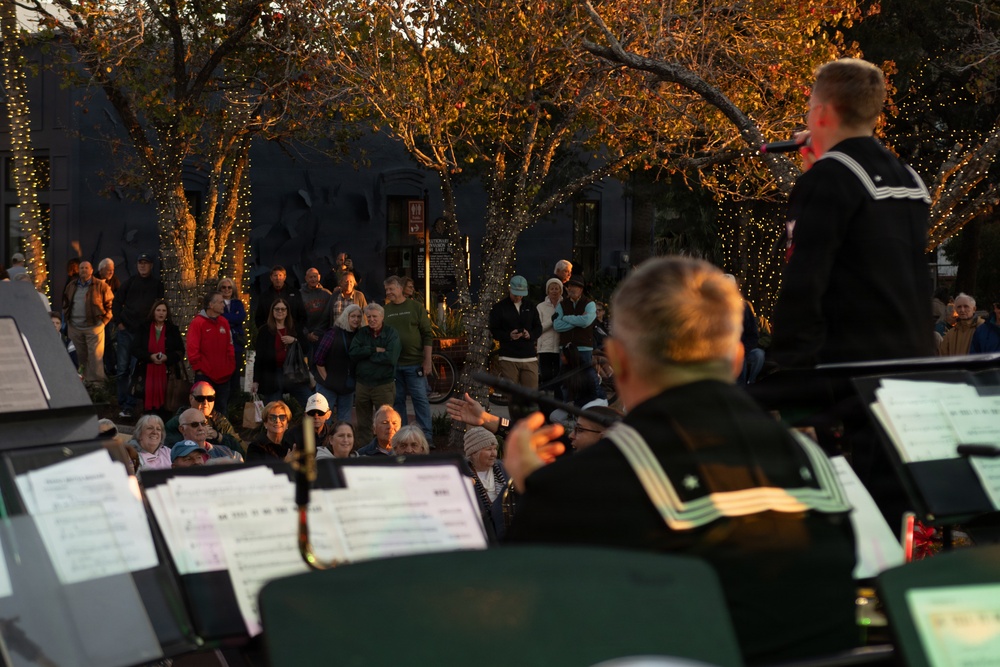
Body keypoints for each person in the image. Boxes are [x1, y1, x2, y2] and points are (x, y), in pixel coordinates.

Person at [504, 256, 857, 665]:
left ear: (618, 361)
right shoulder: (813, 462)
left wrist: (536, 488)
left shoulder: (580, 487)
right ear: (738, 359)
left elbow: (517, 624)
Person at [769, 58, 934, 367]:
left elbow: (804, 280)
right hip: (913, 357)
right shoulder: (908, 176)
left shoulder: (828, 178)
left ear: (822, 112)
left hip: (850, 366)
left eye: (810, 105)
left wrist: (788, 363)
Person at [113, 253, 165, 418]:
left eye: (146, 263)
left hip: (142, 334)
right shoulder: (129, 282)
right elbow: (116, 302)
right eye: (140, 263)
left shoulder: (157, 285)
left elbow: (161, 306)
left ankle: (129, 405)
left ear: (151, 266)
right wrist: (118, 322)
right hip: (125, 331)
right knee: (122, 369)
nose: (142, 266)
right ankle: (122, 403)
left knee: (136, 370)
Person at [383, 275, 434, 440]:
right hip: (394, 366)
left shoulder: (416, 307)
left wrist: (427, 361)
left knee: (420, 400)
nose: (388, 292)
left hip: (415, 364)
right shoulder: (386, 310)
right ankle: (403, 437)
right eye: (386, 290)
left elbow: (427, 335)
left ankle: (426, 436)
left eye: (391, 289)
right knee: (397, 402)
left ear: (399, 288)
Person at [349, 303, 400, 445]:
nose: (371, 319)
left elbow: (391, 358)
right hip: (362, 385)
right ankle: (365, 451)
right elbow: (353, 353)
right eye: (369, 316)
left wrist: (365, 356)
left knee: (386, 422)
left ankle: (387, 449)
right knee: (363, 422)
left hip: (383, 385)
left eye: (374, 316)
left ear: (382, 317)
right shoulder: (362, 333)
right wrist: (374, 350)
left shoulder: (391, 333)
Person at [251, 297, 312, 409]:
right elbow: (259, 358)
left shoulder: (294, 327)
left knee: (310, 403)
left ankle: (309, 426)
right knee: (274, 408)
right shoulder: (265, 330)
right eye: (277, 309)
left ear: (287, 312)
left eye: (283, 309)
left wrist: (294, 340)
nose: (280, 312)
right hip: (272, 373)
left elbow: (306, 347)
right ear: (272, 311)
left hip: (293, 372)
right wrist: (256, 381)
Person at [130, 299, 184, 418]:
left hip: (167, 374)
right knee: (147, 412)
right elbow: (135, 348)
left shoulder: (173, 329)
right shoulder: (144, 328)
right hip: (146, 372)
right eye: (158, 310)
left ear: (167, 313)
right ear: (153, 312)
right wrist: (150, 356)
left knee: (165, 410)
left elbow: (180, 351)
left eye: (164, 311)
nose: (161, 313)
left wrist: (167, 357)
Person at [489, 275, 542, 395]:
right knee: (513, 397)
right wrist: (509, 335)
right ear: (510, 290)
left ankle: (530, 414)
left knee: (531, 395)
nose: (518, 297)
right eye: (515, 293)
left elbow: (538, 327)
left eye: (520, 294)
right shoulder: (499, 308)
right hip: (508, 357)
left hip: (529, 356)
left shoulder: (530, 306)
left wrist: (530, 335)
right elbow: (494, 330)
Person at [62, 260, 114, 383]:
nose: (84, 270)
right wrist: (68, 320)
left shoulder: (101, 286)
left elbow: (111, 304)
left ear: (91, 270)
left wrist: (104, 322)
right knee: (79, 357)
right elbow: (65, 303)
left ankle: (97, 387)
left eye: (86, 268)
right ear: (78, 271)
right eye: (81, 268)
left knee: (95, 359)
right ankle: (82, 385)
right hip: (75, 327)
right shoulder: (71, 285)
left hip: (94, 327)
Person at [187, 290, 236, 416]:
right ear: (211, 305)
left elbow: (230, 345)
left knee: (221, 410)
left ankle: (220, 434)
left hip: (224, 375)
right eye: (220, 302)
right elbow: (192, 348)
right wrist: (199, 368)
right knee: (202, 410)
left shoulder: (224, 322)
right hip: (205, 375)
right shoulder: (198, 323)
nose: (223, 305)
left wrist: (230, 366)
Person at [553, 275, 602, 401]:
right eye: (570, 286)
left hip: (584, 348)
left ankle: (583, 409)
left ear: (581, 289)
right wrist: (578, 320)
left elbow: (586, 322)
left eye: (575, 286)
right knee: (566, 382)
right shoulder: (562, 304)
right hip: (566, 349)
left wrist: (566, 318)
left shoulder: (589, 304)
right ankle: (566, 410)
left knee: (585, 381)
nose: (571, 288)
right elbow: (557, 325)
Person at [164, 381, 245, 455]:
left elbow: (241, 450)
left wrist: (218, 436)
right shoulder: (179, 421)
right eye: (200, 398)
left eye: (210, 398)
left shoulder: (219, 420)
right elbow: (169, 449)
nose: (205, 403)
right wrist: (195, 438)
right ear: (191, 398)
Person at [314, 304, 362, 422]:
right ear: (346, 316)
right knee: (324, 420)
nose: (356, 319)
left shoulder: (360, 335)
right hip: (328, 385)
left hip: (347, 386)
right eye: (353, 316)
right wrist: (327, 379)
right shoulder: (333, 333)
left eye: (359, 316)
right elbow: (319, 358)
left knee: (345, 421)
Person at [464, 427, 508, 541]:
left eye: (495, 448)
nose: (494, 453)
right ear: (474, 453)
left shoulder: (504, 468)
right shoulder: (463, 473)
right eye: (489, 449)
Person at [218, 277, 247, 400]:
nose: (227, 290)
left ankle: (235, 403)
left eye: (229, 287)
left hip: (236, 344)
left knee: (236, 374)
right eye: (224, 287)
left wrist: (226, 318)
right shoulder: (217, 303)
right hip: (221, 344)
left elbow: (240, 317)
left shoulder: (238, 303)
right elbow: (219, 318)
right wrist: (232, 318)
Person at [177, 407, 243, 462]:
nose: (200, 428)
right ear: (182, 429)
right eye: (194, 425)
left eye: (203, 423)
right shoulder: (174, 456)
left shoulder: (227, 452)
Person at [254, 265, 306, 329]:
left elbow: (302, 315)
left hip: (292, 331)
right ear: (271, 278)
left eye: (280, 275)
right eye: (275, 275)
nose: (278, 278)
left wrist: (297, 331)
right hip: (271, 333)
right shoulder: (264, 296)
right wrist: (265, 331)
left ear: (285, 277)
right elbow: (259, 318)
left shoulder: (295, 293)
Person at [536, 278, 563, 394]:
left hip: (559, 346)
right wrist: (552, 321)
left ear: (561, 290)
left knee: (559, 376)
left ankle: (557, 400)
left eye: (557, 288)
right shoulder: (540, 307)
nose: (554, 291)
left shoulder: (564, 305)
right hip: (545, 347)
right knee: (546, 375)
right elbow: (538, 328)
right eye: (551, 288)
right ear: (547, 291)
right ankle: (546, 401)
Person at [301, 267, 332, 356]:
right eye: (310, 277)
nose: (313, 279)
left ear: (319, 277)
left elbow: (331, 315)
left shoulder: (327, 294)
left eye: (315, 277)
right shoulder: (300, 295)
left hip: (324, 336)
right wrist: (307, 334)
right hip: (307, 337)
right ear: (306, 278)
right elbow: (297, 318)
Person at [99, 258, 121, 379]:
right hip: (97, 317)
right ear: (101, 270)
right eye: (108, 270)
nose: (111, 273)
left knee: (108, 341)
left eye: (112, 270)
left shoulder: (114, 280)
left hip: (109, 316)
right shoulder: (94, 280)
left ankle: (111, 367)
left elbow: (119, 295)